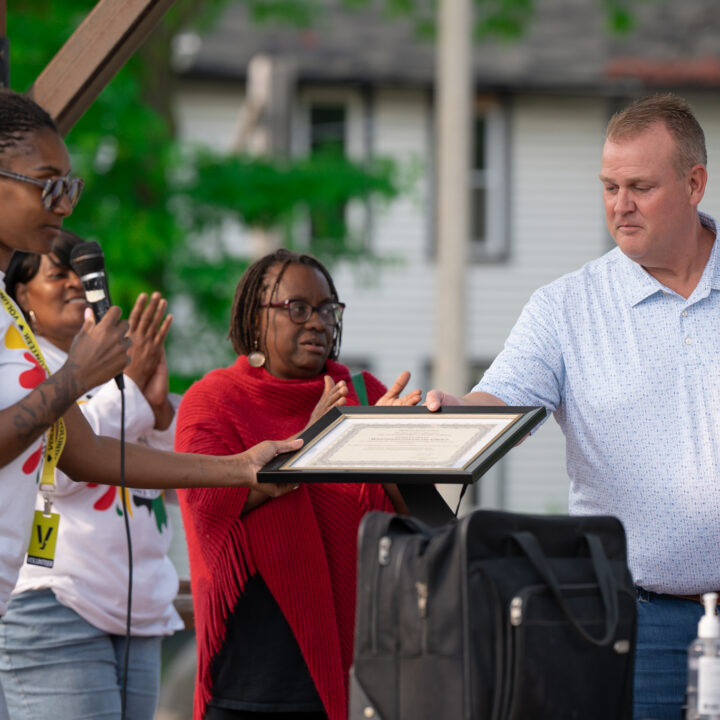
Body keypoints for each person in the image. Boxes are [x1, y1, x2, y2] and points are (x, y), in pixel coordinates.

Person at [0, 89, 299, 718]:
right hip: (51, 602)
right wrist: (77, 377)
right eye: (48, 184)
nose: (67, 204)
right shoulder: (44, 347)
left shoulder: (12, 324)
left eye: (71, 186)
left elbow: (82, 453)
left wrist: (243, 466)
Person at [426, 93, 720, 720]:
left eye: (640, 186)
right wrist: (446, 415)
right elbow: (496, 409)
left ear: (694, 182)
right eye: (609, 186)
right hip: (635, 627)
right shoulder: (565, 309)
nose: (620, 205)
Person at [175, 248, 421, 720]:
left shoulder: (364, 394)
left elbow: (422, 519)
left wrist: (399, 452)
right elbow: (208, 506)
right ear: (255, 317)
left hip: (363, 676)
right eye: (298, 309)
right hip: (250, 681)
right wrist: (312, 444)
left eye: (327, 309)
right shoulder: (214, 402)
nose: (317, 322)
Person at [0, 230, 181, 719]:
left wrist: (159, 408)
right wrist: (135, 400)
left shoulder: (119, 370)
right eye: (58, 274)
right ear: (22, 296)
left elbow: (167, 480)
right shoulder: (25, 366)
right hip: (58, 602)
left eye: (82, 275)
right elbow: (55, 470)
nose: (77, 285)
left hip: (137, 610)